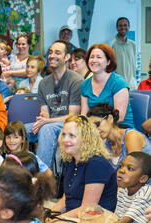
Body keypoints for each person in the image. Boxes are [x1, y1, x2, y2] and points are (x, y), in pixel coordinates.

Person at [46, 115, 118, 223]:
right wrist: (50, 215)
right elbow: (65, 198)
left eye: (72, 136)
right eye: (64, 135)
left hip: (95, 220)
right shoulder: (71, 160)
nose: (65, 140)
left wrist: (58, 219)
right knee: (39, 221)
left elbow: (88, 208)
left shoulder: (97, 163)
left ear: (85, 138)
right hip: (74, 215)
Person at [24, 40, 84, 169]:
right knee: (18, 130)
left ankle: (43, 178)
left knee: (47, 129)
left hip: (69, 123)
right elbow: (45, 112)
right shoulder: (44, 83)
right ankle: (18, 174)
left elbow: (73, 115)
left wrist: (46, 121)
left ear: (67, 57)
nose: (52, 56)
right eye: (50, 52)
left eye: (57, 53)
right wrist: (43, 119)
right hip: (50, 122)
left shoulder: (76, 80)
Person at [81, 43, 134, 129]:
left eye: (99, 57)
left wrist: (95, 125)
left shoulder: (118, 82)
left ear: (108, 62)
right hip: (94, 127)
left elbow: (119, 117)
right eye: (92, 57)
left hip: (119, 127)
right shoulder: (85, 85)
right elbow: (84, 114)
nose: (94, 60)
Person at [87, 103, 151, 170]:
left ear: (110, 119)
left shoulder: (131, 136)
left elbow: (135, 170)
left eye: (97, 124)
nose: (96, 130)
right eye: (92, 128)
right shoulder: (104, 143)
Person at [109, 17, 138, 91]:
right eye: (120, 25)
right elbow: (109, 67)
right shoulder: (111, 44)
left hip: (132, 85)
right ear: (117, 28)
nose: (123, 27)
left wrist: (134, 81)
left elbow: (134, 66)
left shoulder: (133, 45)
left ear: (129, 27)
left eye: (125, 25)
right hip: (117, 85)